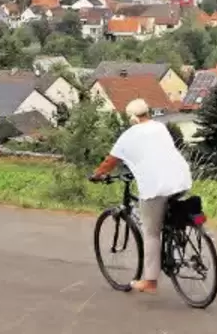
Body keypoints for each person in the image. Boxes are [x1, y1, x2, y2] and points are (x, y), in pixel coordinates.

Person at [90, 98, 193, 294]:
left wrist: (97, 175)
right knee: (169, 214)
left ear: (132, 118)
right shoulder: (160, 127)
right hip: (181, 179)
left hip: (155, 186)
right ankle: (176, 236)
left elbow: (110, 161)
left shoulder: (129, 135)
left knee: (151, 232)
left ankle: (150, 282)